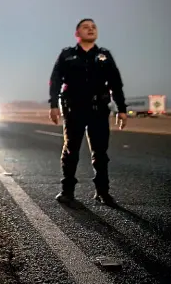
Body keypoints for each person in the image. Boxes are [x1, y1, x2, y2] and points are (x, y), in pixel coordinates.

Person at [48, 18, 128, 207]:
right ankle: (67, 192)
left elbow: (116, 83)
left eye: (93, 27)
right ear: (77, 33)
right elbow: (55, 80)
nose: (90, 29)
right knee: (70, 150)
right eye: (86, 27)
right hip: (73, 109)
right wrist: (53, 105)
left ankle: (102, 192)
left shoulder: (104, 56)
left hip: (98, 110)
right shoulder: (67, 55)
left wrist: (122, 109)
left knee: (100, 152)